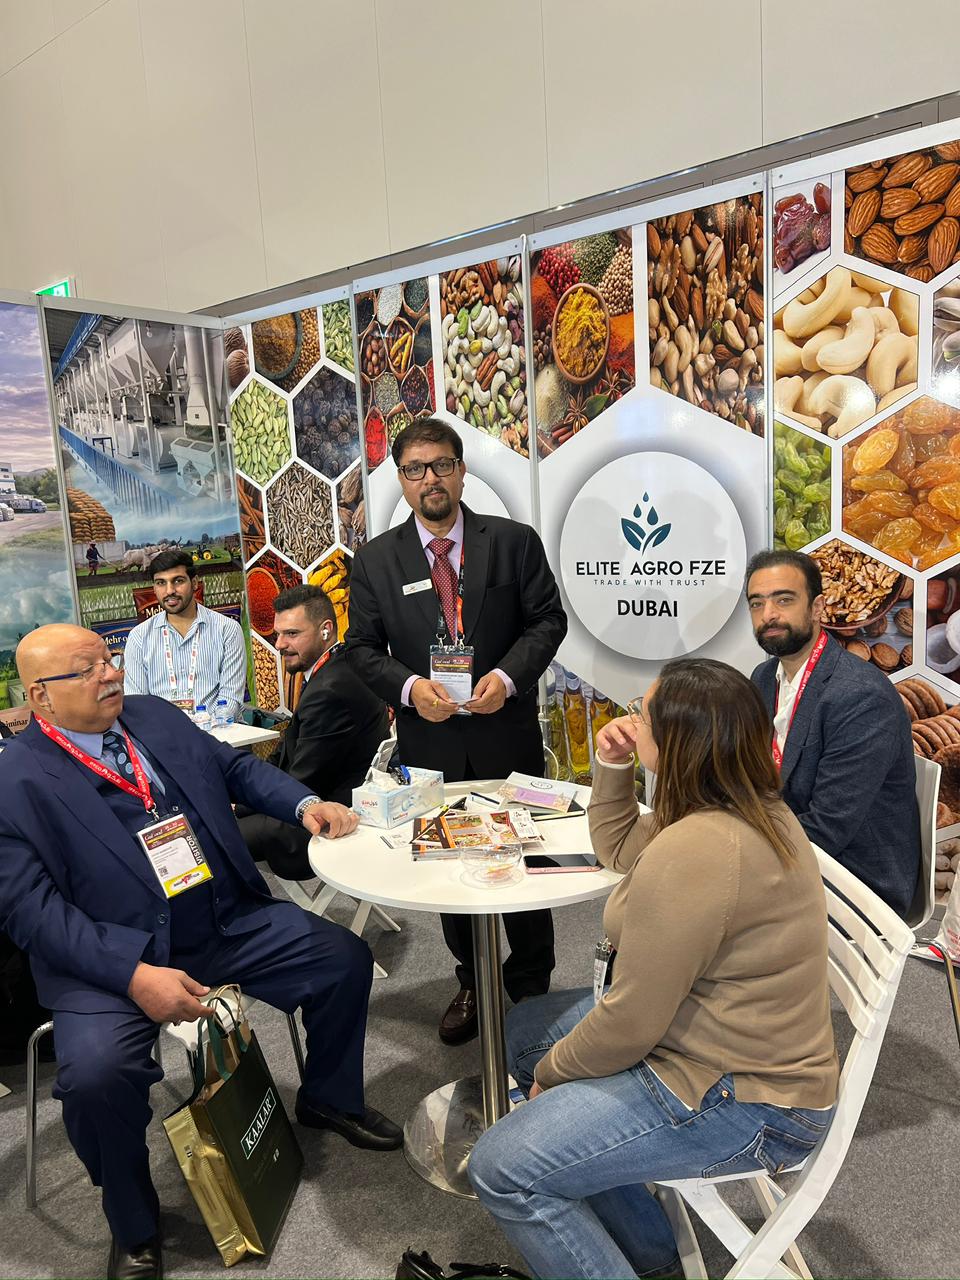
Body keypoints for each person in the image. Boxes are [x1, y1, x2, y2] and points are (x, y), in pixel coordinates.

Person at [0, 624, 402, 1280]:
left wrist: (303, 803)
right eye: (87, 669)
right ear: (40, 696)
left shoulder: (153, 716)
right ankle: (134, 1223)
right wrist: (132, 974)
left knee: (343, 961)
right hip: (111, 960)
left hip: (222, 921)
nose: (110, 674)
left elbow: (235, 768)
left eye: (109, 659)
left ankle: (328, 1098)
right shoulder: (12, 780)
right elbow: (31, 912)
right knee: (97, 1078)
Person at [467, 659, 839, 1280]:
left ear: (679, 741)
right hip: (719, 1045)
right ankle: (649, 1253)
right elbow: (617, 848)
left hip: (748, 1098)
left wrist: (552, 1079)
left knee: (502, 1168)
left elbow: (631, 1022)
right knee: (527, 1031)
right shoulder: (733, 804)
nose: (631, 719)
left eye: (643, 712)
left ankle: (627, 1249)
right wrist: (614, 765)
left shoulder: (702, 848)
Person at [345, 418, 567, 1044]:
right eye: (415, 469)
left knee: (525, 864)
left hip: (506, 736)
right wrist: (410, 689)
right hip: (431, 745)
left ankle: (531, 987)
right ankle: (472, 980)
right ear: (401, 479)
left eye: (442, 465)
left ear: (462, 471)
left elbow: (547, 621)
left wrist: (508, 676)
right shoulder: (376, 561)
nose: (430, 479)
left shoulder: (513, 542)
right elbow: (362, 649)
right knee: (447, 870)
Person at [746, 548, 920, 917]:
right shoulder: (763, 678)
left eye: (784, 600)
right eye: (756, 603)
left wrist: (734, 857)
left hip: (855, 880)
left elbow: (828, 829)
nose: (768, 614)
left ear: (818, 608)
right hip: (790, 846)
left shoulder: (861, 696)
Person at [237, 584, 388, 880]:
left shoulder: (330, 690)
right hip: (320, 800)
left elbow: (301, 781)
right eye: (278, 634)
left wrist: (237, 806)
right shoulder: (340, 667)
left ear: (326, 630)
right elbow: (287, 754)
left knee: (206, 838)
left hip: (319, 821)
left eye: (292, 634)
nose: (280, 644)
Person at [123, 549, 246, 722]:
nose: (169, 591)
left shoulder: (227, 630)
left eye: (178, 581)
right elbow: (138, 705)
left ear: (194, 583)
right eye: (161, 583)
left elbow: (230, 700)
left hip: (220, 733)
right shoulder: (139, 637)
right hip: (164, 736)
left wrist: (202, 730)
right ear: (154, 588)